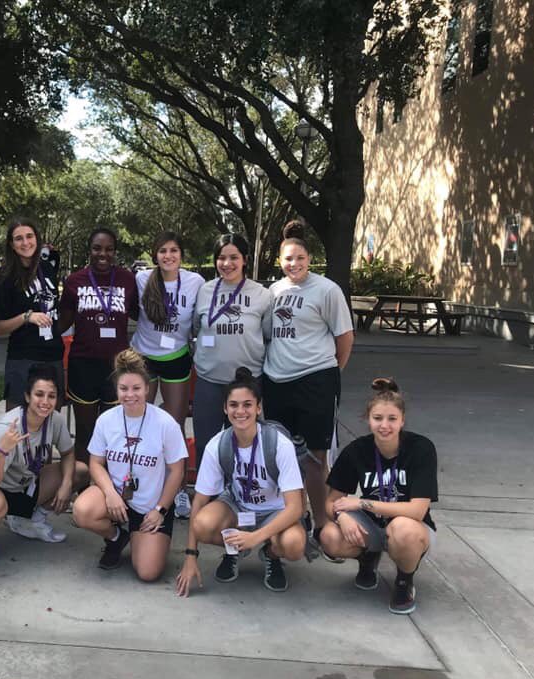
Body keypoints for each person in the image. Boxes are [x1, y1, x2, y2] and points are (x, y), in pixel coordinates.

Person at [263, 220, 354, 557]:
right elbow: (268, 336)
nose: (294, 264)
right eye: (288, 259)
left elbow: (344, 339)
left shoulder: (327, 290)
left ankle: (320, 523)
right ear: (280, 260)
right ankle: (289, 521)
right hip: (277, 383)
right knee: (281, 458)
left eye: (300, 258)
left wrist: (328, 373)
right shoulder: (273, 292)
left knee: (316, 458)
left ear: (309, 259)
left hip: (316, 382)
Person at [176, 368, 306, 596]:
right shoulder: (218, 445)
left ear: (258, 408)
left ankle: (271, 554)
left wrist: (256, 537)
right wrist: (190, 556)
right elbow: (199, 502)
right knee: (202, 524)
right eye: (234, 405)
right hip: (239, 506)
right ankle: (234, 549)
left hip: (275, 511)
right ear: (225, 409)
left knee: (294, 545)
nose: (240, 411)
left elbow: (295, 507)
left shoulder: (279, 444)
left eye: (247, 404)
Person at [319, 378, 438, 615]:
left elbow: (417, 511)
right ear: (368, 419)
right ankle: (367, 558)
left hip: (411, 527)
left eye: (392, 419)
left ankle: (404, 582)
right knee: (330, 536)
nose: (385, 425)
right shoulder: (357, 451)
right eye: (378, 418)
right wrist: (342, 516)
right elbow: (332, 501)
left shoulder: (421, 449)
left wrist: (362, 503)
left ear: (402, 420)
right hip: (371, 526)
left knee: (403, 529)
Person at [72, 349, 187, 581]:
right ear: (116, 390)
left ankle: (140, 536)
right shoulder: (106, 420)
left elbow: (177, 471)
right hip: (117, 500)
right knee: (82, 511)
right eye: (124, 389)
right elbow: (95, 463)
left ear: (147, 388)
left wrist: (160, 510)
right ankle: (116, 537)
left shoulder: (166, 424)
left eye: (136, 388)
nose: (130, 395)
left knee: (147, 572)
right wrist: (110, 494)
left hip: (151, 505)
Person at [0, 364, 89, 569]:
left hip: (25, 484)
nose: (45, 402)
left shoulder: (55, 420)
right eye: (39, 394)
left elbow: (67, 453)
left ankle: (28, 520)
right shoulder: (7, 427)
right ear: (27, 396)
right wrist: (3, 451)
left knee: (81, 471)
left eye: (51, 396)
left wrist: (66, 484)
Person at [131, 232, 204, 518]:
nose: (168, 256)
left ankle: (178, 490)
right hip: (144, 357)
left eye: (174, 250)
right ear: (155, 255)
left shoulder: (195, 282)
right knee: (140, 424)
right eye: (162, 251)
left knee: (173, 426)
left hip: (176, 357)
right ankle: (140, 485)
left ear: (181, 255)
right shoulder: (142, 279)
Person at [192, 234, 271, 474]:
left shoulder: (262, 294)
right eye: (221, 258)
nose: (227, 264)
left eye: (234, 257)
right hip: (209, 380)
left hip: (248, 382)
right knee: (207, 445)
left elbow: (267, 334)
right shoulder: (204, 291)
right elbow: (197, 328)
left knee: (246, 446)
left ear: (245, 259)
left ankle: (245, 496)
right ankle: (209, 499)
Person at [57, 228, 138, 463]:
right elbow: (62, 323)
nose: (103, 254)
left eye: (109, 249)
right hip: (83, 365)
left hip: (116, 367)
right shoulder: (74, 281)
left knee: (114, 435)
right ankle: (84, 491)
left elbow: (141, 314)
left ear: (115, 252)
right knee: (85, 433)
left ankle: (111, 490)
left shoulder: (127, 280)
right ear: (89, 250)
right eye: (97, 248)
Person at [0, 219, 65, 410]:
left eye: (29, 236)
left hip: (53, 355)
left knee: (49, 423)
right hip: (23, 358)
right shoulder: (5, 277)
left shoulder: (47, 269)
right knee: (18, 424)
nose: (25, 243)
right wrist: (26, 317)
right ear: (12, 245)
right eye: (19, 238)